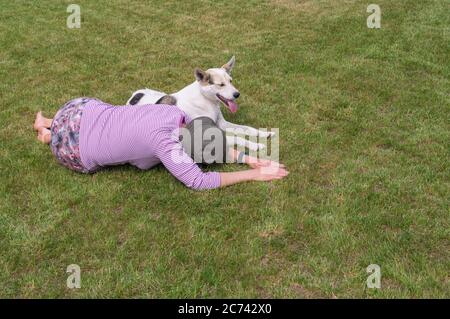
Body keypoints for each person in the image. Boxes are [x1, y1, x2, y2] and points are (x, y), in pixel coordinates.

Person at [33, 97, 288, 190]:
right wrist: (254, 174)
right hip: (73, 152)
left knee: (104, 117)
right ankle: (47, 135)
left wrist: (246, 157)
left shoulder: (173, 113)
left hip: (79, 110)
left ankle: (47, 124)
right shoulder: (166, 145)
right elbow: (199, 181)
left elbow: (204, 142)